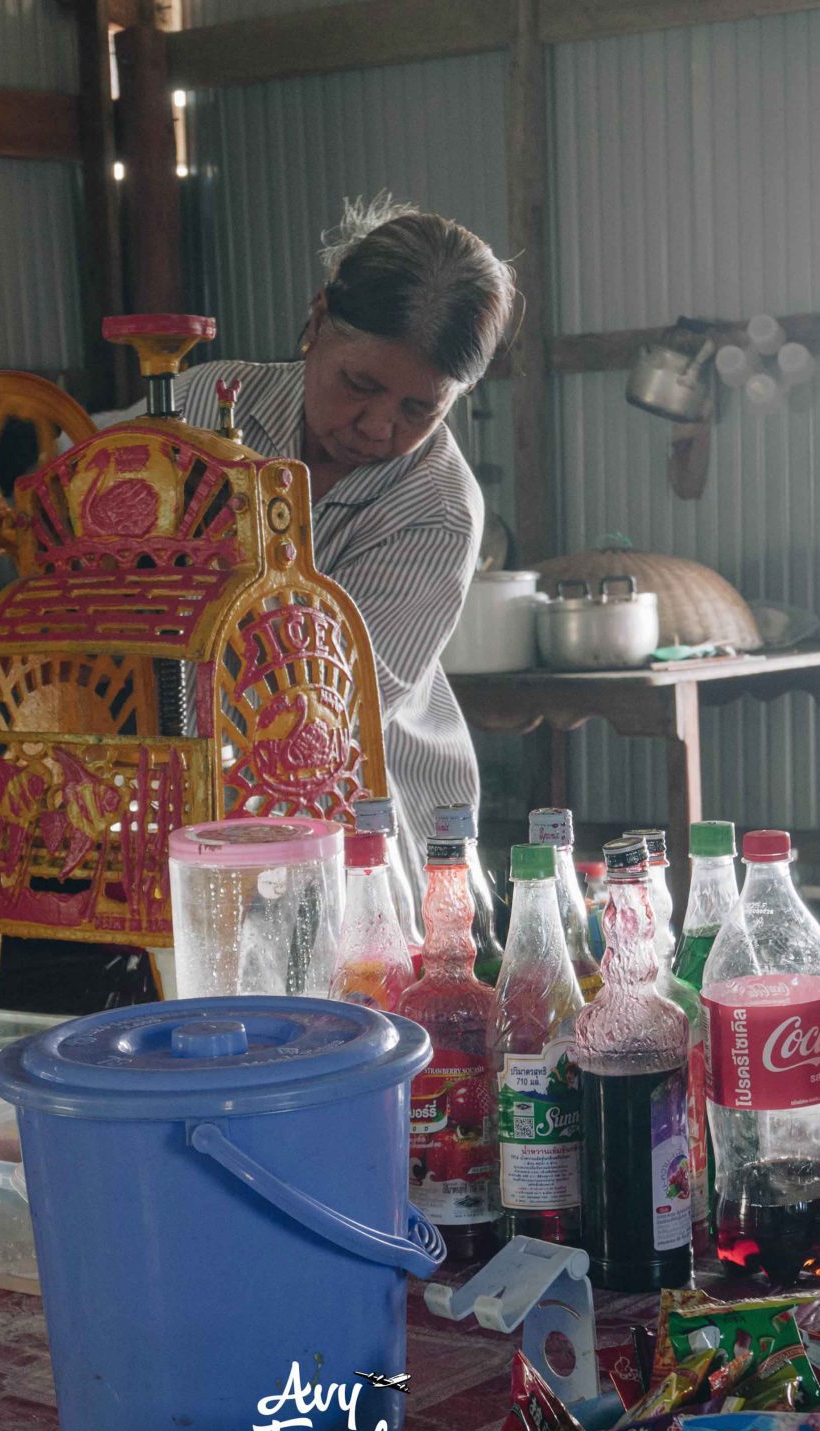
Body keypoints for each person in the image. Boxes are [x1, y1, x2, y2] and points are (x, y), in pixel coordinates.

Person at [112, 196, 519, 909]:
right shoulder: (199, 406)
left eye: (419, 410)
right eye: (359, 385)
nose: (375, 426)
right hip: (184, 797)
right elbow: (70, 475)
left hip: (360, 827)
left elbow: (329, 711)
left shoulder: (438, 509)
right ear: (316, 320)